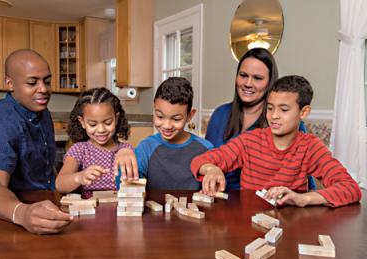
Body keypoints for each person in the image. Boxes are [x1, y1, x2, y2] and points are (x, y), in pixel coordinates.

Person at [191, 75, 362, 207]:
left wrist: (302, 199)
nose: (274, 116)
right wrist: (212, 169)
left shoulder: (310, 147)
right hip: (248, 222)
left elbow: (350, 188)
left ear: (303, 112)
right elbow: (200, 160)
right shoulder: (250, 141)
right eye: (270, 108)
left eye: (284, 109)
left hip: (290, 227)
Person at [0, 49, 73, 234]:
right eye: (32, 82)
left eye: (47, 81)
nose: (43, 89)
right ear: (10, 83)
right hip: (11, 224)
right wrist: (22, 213)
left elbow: (46, 168)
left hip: (48, 210)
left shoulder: (43, 112)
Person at [205, 48, 314, 190]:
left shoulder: (286, 123)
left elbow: (304, 177)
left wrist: (307, 200)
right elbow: (206, 159)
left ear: (270, 82)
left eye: (257, 78)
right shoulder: (220, 114)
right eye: (243, 75)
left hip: (265, 204)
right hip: (219, 198)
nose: (248, 83)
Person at [132, 77, 213, 190]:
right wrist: (125, 160)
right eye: (160, 116)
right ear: (154, 107)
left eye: (176, 119)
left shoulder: (205, 148)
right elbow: (129, 185)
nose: (167, 125)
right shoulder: (146, 147)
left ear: (189, 116)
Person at [55, 88, 133, 198]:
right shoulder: (80, 150)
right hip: (90, 211)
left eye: (107, 122)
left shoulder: (126, 149)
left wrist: (127, 152)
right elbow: (60, 184)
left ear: (116, 118)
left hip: (120, 209)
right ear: (82, 122)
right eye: (92, 124)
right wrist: (80, 177)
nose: (101, 129)